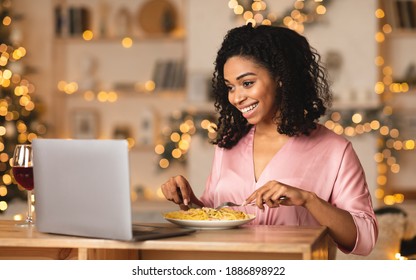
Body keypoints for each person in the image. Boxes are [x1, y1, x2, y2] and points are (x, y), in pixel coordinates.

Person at [161, 23, 378, 256]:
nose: (236, 97)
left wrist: (308, 200)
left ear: (281, 78)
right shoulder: (229, 144)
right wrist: (188, 199)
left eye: (247, 83)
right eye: (230, 87)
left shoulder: (335, 150)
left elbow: (365, 239)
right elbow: (215, 213)